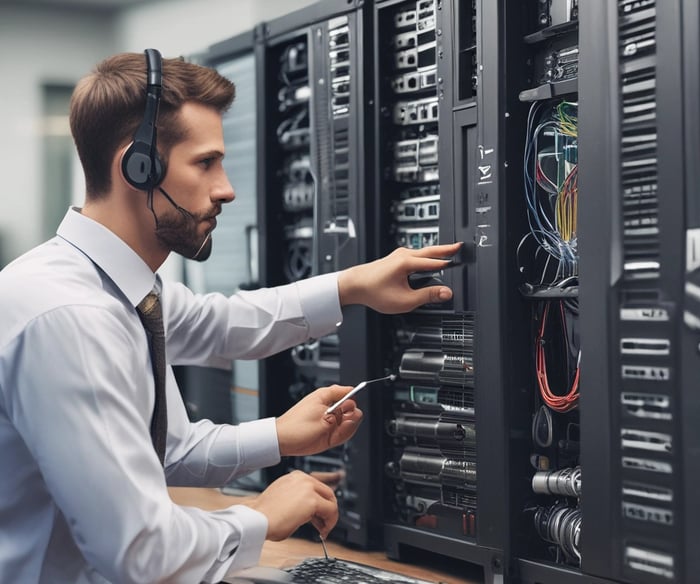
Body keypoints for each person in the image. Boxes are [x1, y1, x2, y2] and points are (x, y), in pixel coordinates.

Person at [0, 50, 461, 583]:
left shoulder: (111, 287)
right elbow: (141, 554)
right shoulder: (72, 318)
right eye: (205, 163)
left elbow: (181, 415)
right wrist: (260, 517)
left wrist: (351, 288)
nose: (226, 189)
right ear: (137, 166)